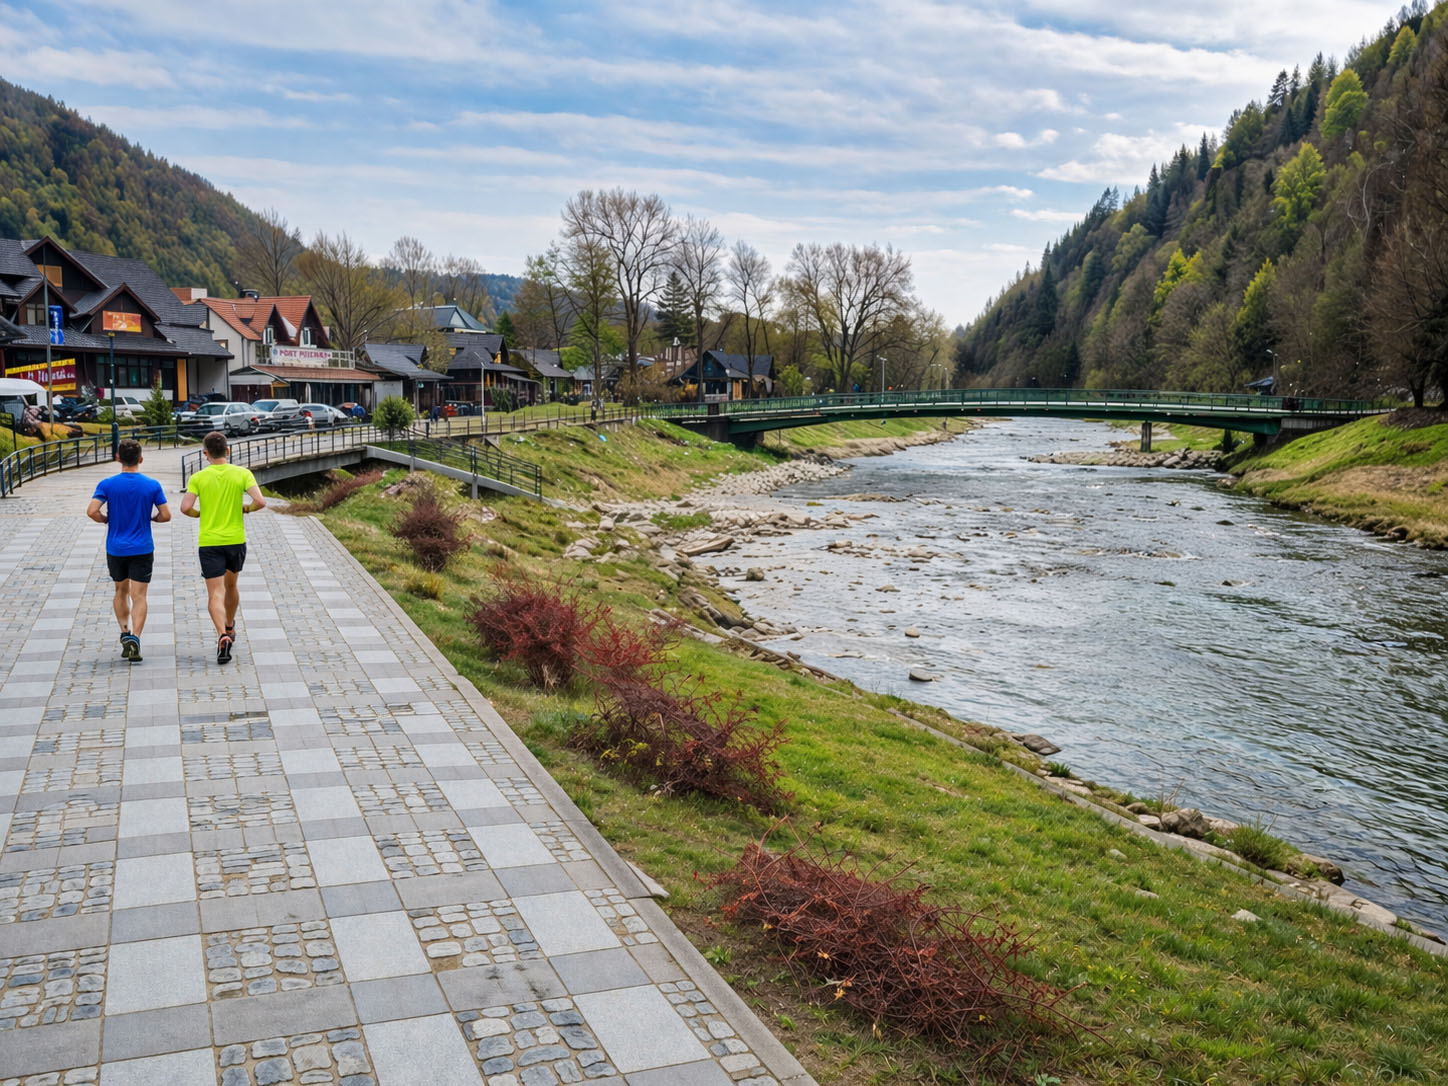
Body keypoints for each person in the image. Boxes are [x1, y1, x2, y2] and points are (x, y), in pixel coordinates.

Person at [179, 431, 266, 664]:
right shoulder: (242, 474)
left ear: (205, 453)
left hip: (210, 542)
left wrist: (199, 514)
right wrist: (245, 509)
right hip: (235, 540)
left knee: (215, 592)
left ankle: (222, 635)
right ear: (227, 451)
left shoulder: (198, 477)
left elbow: (184, 507)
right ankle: (230, 624)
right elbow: (261, 501)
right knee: (232, 585)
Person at [86, 438, 170, 662]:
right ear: (141, 459)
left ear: (118, 458)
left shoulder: (107, 484)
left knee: (120, 591)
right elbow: (166, 515)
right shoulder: (152, 485)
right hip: (142, 547)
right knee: (139, 595)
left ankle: (125, 632)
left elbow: (91, 510)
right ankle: (137, 637)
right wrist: (153, 518)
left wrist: (105, 519)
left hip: (116, 547)